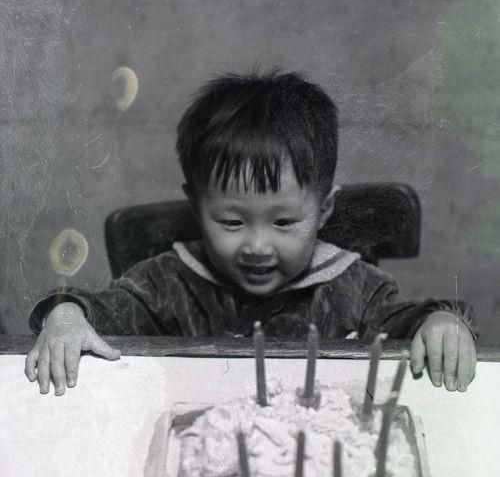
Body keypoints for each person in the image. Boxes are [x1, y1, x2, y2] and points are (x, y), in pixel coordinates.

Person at [25, 71, 477, 396]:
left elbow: (408, 323)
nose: (258, 246)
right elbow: (105, 312)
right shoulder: (166, 282)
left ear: (324, 210)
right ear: (196, 206)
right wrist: (67, 315)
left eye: (284, 222)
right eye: (231, 222)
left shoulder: (356, 288)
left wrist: (441, 323)